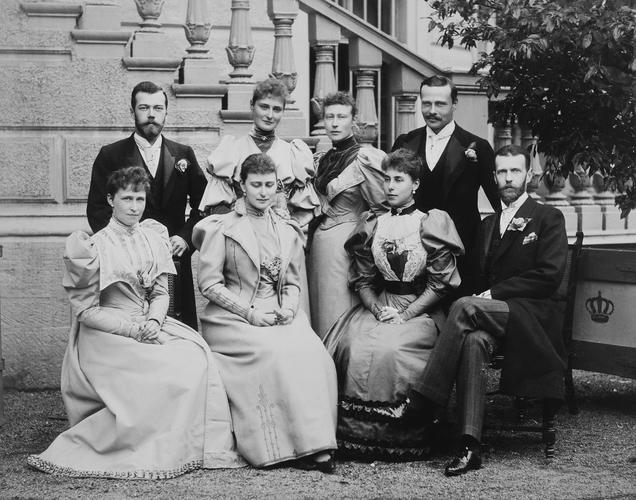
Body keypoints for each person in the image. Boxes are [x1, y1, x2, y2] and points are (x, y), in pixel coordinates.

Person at [27, 167, 244, 479]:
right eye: (126, 198)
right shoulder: (91, 247)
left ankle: (188, 446)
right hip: (106, 333)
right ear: (110, 200)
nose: (133, 206)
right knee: (162, 369)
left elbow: (159, 292)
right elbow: (86, 312)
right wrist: (132, 330)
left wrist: (155, 320)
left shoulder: (153, 237)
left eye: (139, 198)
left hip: (147, 321)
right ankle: (141, 444)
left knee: (196, 358)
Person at [400, 144, 568, 476]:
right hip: (491, 316)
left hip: (532, 317)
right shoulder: (489, 224)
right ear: (494, 176)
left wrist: (493, 293)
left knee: (464, 307)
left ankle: (425, 401)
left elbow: (549, 277)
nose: (508, 178)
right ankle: (469, 445)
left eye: (515, 171)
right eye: (502, 172)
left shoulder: (547, 217)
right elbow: (474, 278)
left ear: (528, 175)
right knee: (474, 339)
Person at [193, 154, 338, 473]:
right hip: (231, 316)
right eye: (255, 185)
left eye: (269, 185)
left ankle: (315, 444)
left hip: (278, 312)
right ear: (241, 186)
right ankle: (279, 446)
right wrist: (248, 312)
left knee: (314, 353)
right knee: (272, 352)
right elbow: (209, 283)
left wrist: (289, 307)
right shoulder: (223, 227)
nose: (262, 192)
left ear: (278, 187)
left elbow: (291, 282)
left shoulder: (286, 229)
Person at [323, 149, 464, 460]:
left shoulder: (431, 222)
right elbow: (362, 279)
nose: (389, 186)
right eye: (386, 179)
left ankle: (399, 436)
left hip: (420, 308)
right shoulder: (372, 222)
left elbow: (441, 283)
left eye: (398, 180)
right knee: (350, 344)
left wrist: (405, 314)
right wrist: (376, 309)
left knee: (392, 350)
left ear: (414, 185)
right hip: (380, 304)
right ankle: (351, 436)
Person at [86, 81, 206, 330]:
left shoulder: (184, 154)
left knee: (176, 326)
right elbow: (97, 208)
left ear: (165, 112)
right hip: (127, 263)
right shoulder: (111, 154)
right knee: (135, 329)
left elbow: (204, 205)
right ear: (132, 112)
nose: (151, 114)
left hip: (174, 257)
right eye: (144, 107)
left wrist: (185, 238)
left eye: (158, 108)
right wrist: (122, 246)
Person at [198, 78, 318, 315]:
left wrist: (290, 230)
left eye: (277, 109)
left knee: (289, 306)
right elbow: (217, 208)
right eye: (264, 107)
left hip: (280, 240)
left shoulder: (292, 152)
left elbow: (304, 210)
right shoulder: (232, 149)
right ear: (252, 106)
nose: (270, 115)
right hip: (243, 241)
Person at [391, 75, 499, 274]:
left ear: (454, 104)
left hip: (461, 252)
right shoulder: (405, 143)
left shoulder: (478, 146)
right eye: (426, 104)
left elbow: (498, 203)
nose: (432, 111)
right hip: (412, 251)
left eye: (440, 104)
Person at [308, 91, 388, 338]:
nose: (334, 123)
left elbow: (382, 208)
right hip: (318, 245)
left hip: (346, 245)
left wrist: (367, 247)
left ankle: (340, 366)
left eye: (341, 116)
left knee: (338, 309)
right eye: (329, 116)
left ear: (353, 120)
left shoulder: (364, 159)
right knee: (318, 310)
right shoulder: (323, 158)